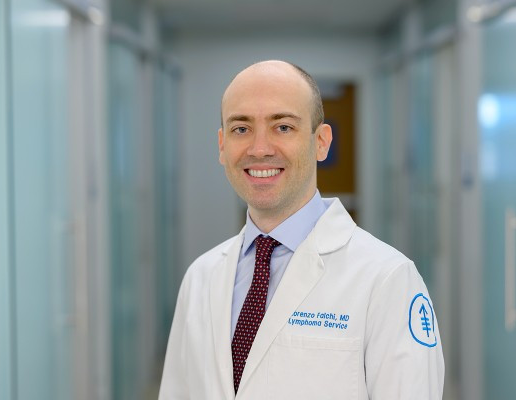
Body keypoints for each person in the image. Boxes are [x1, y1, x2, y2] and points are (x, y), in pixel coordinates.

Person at [159, 60, 444, 399]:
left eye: (283, 127)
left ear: (321, 141)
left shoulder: (387, 279)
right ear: (222, 145)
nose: (259, 149)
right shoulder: (200, 277)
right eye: (241, 129)